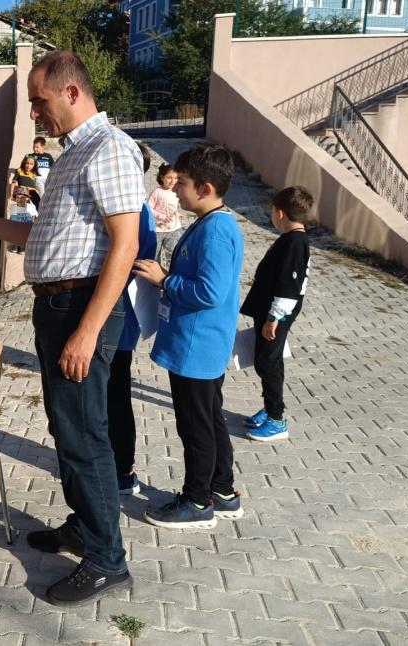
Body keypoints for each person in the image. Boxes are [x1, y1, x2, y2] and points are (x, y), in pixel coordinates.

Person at [0, 51, 141, 607]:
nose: (35, 113)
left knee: (85, 435)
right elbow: (41, 239)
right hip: (57, 306)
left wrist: (86, 331)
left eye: (40, 101)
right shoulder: (71, 156)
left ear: (72, 93)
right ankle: (86, 526)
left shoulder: (108, 150)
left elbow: (124, 247)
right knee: (68, 428)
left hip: (81, 308)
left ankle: (107, 559)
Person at [132, 144, 245, 530]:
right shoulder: (214, 223)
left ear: (206, 187)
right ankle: (223, 491)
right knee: (210, 418)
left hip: (196, 346)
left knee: (195, 425)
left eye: (182, 183)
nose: (176, 190)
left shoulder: (215, 231)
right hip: (203, 344)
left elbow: (210, 292)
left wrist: (165, 280)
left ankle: (198, 502)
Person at [240, 186, 313, 442]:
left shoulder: (295, 242)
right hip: (272, 311)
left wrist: (274, 318)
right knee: (269, 360)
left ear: (280, 213)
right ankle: (273, 408)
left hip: (277, 314)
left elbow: (289, 286)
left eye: (272, 210)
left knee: (267, 363)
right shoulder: (292, 239)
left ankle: (276, 420)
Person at [108, 145, 158, 497]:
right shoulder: (137, 209)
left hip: (118, 318)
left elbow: (136, 262)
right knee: (112, 394)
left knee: (114, 396)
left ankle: (123, 470)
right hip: (118, 318)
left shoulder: (136, 211)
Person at [147, 163, 184, 268]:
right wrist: (161, 216)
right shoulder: (157, 192)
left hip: (174, 229)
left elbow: (173, 206)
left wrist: (177, 214)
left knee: (172, 253)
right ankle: (154, 276)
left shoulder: (176, 191)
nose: (173, 181)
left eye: (176, 178)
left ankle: (170, 274)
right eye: (169, 178)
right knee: (154, 254)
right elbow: (149, 209)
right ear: (162, 177)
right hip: (158, 230)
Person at [6, 186, 38, 254]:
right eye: (17, 197)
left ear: (26, 198)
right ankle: (15, 245)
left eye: (22, 198)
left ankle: (22, 246)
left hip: (26, 227)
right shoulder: (13, 207)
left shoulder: (30, 207)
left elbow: (34, 217)